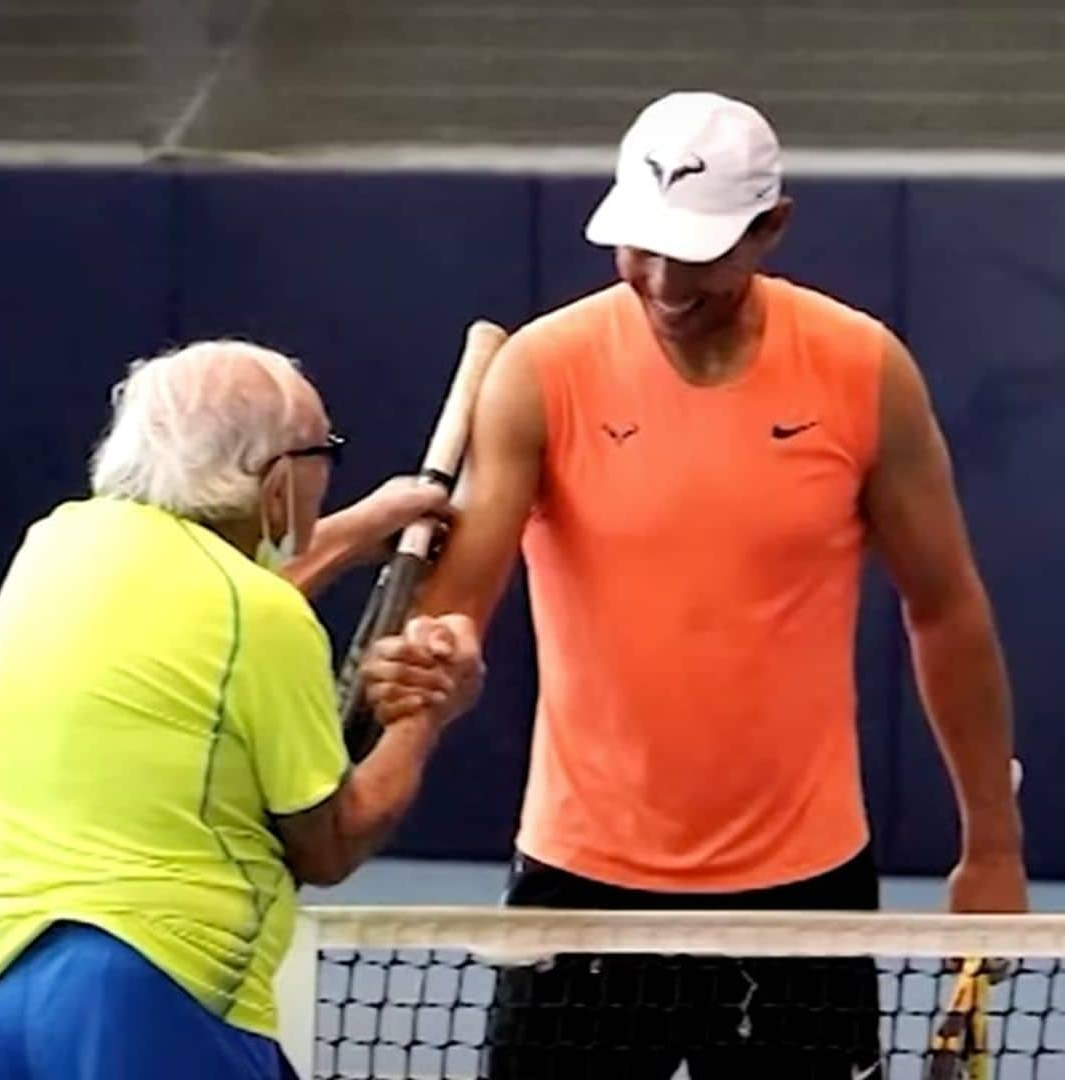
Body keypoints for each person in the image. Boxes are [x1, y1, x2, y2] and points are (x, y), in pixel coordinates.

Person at [415, 92, 1028, 1078]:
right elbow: (456, 606)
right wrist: (433, 664)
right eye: (638, 245)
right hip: (581, 886)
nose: (660, 281)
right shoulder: (542, 370)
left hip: (802, 893)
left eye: (696, 251)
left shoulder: (864, 371)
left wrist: (991, 843)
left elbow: (947, 607)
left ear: (770, 226)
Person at [0, 340, 483, 1080]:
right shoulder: (262, 617)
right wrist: (423, 717)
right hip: (160, 991)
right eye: (326, 451)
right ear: (278, 480)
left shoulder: (56, 546)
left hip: (6, 987)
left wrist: (349, 531)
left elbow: (205, 605)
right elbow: (329, 845)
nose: (328, 470)